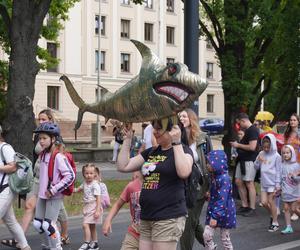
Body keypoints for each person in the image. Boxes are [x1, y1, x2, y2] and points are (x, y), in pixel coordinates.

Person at [117, 118, 193, 250]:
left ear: (172, 130)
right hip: (147, 217)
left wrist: (177, 142)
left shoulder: (183, 150)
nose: (155, 132)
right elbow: (123, 166)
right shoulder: (152, 152)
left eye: (159, 128)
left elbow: (184, 172)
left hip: (168, 218)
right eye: (154, 127)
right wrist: (127, 139)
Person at [32, 122, 75, 250]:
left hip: (53, 196)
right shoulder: (43, 154)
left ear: (53, 139)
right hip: (42, 195)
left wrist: (54, 189)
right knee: (37, 224)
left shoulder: (59, 157)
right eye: (40, 138)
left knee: (48, 225)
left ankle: (56, 247)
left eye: (44, 138)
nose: (41, 141)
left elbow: (70, 176)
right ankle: (47, 245)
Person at [178, 108, 210, 250]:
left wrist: (210, 187)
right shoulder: (177, 138)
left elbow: (210, 163)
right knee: (193, 221)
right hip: (181, 186)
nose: (181, 118)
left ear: (191, 118)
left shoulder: (203, 138)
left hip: (199, 187)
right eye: (180, 116)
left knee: (187, 222)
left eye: (184, 116)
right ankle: (210, 245)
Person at [0, 125, 31, 250]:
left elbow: (13, 167)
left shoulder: (5, 148)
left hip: (6, 188)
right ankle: (24, 246)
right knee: (11, 221)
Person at [203, 150, 236, 250]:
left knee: (224, 238)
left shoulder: (224, 179)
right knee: (207, 235)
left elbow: (222, 199)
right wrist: (210, 192)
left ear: (217, 163)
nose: (207, 165)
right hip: (216, 210)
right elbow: (217, 193)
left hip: (223, 212)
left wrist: (214, 217)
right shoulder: (215, 176)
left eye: (209, 163)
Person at [102, 171, 143, 250]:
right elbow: (118, 204)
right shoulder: (131, 186)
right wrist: (108, 219)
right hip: (134, 233)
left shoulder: (160, 186)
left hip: (153, 235)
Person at [230, 113, 259, 217]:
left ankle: (252, 208)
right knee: (238, 181)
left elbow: (252, 147)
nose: (239, 126)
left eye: (239, 123)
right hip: (241, 160)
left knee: (249, 183)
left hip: (249, 160)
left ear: (243, 121)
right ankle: (245, 205)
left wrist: (238, 145)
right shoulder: (248, 131)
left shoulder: (253, 130)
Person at [253, 134, 281, 232]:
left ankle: (275, 222)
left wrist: (278, 185)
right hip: (264, 182)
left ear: (272, 145)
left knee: (271, 202)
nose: (265, 149)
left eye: (268, 147)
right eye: (264, 147)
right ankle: (273, 215)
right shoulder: (261, 153)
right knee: (264, 202)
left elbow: (279, 171)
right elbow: (255, 167)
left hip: (273, 183)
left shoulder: (277, 156)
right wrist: (258, 161)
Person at [75, 163, 102, 250]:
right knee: (92, 226)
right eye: (86, 173)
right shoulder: (85, 183)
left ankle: (87, 243)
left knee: (85, 224)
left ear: (94, 174)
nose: (89, 175)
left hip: (94, 207)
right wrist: (69, 189)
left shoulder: (95, 184)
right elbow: (77, 190)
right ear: (83, 174)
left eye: (91, 173)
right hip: (87, 207)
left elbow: (98, 198)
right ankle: (95, 243)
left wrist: (97, 210)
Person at [279, 145, 300, 234]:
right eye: (283, 153)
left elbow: (299, 179)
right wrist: (278, 186)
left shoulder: (296, 165)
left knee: (294, 209)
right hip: (285, 191)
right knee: (286, 208)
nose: (285, 155)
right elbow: (280, 177)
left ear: (292, 153)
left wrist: (294, 176)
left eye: (287, 153)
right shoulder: (282, 165)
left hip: (294, 191)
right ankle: (288, 227)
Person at [283, 113, 300, 221]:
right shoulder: (287, 133)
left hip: (298, 161)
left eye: (294, 120)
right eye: (291, 120)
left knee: (297, 185)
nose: (292, 122)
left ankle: (296, 208)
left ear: (298, 121)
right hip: (289, 162)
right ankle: (292, 208)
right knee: (290, 183)